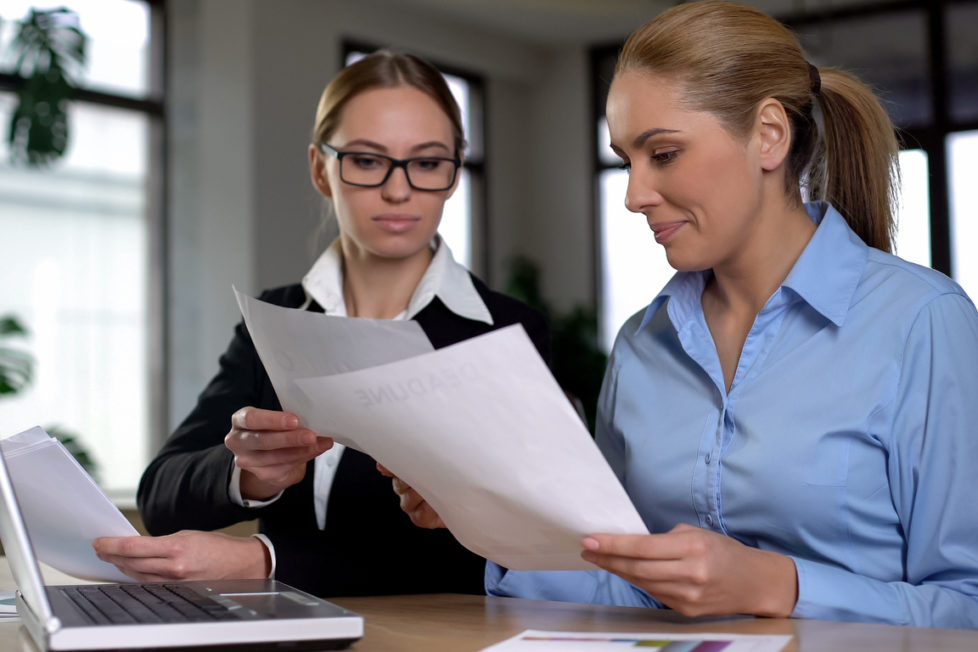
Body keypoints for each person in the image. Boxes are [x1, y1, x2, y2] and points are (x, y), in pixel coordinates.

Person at [393, 1, 978, 629]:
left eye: (664, 154)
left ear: (769, 136)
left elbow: (967, 604)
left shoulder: (923, 323)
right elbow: (625, 582)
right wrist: (484, 518)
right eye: (625, 159)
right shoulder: (642, 343)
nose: (634, 194)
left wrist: (777, 584)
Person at [92, 50, 550, 597]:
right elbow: (160, 496)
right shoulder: (274, 318)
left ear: (454, 172)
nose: (399, 190)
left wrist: (267, 563)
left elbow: (528, 552)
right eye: (367, 160)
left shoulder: (506, 331)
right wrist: (247, 474)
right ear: (320, 168)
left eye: (427, 163)